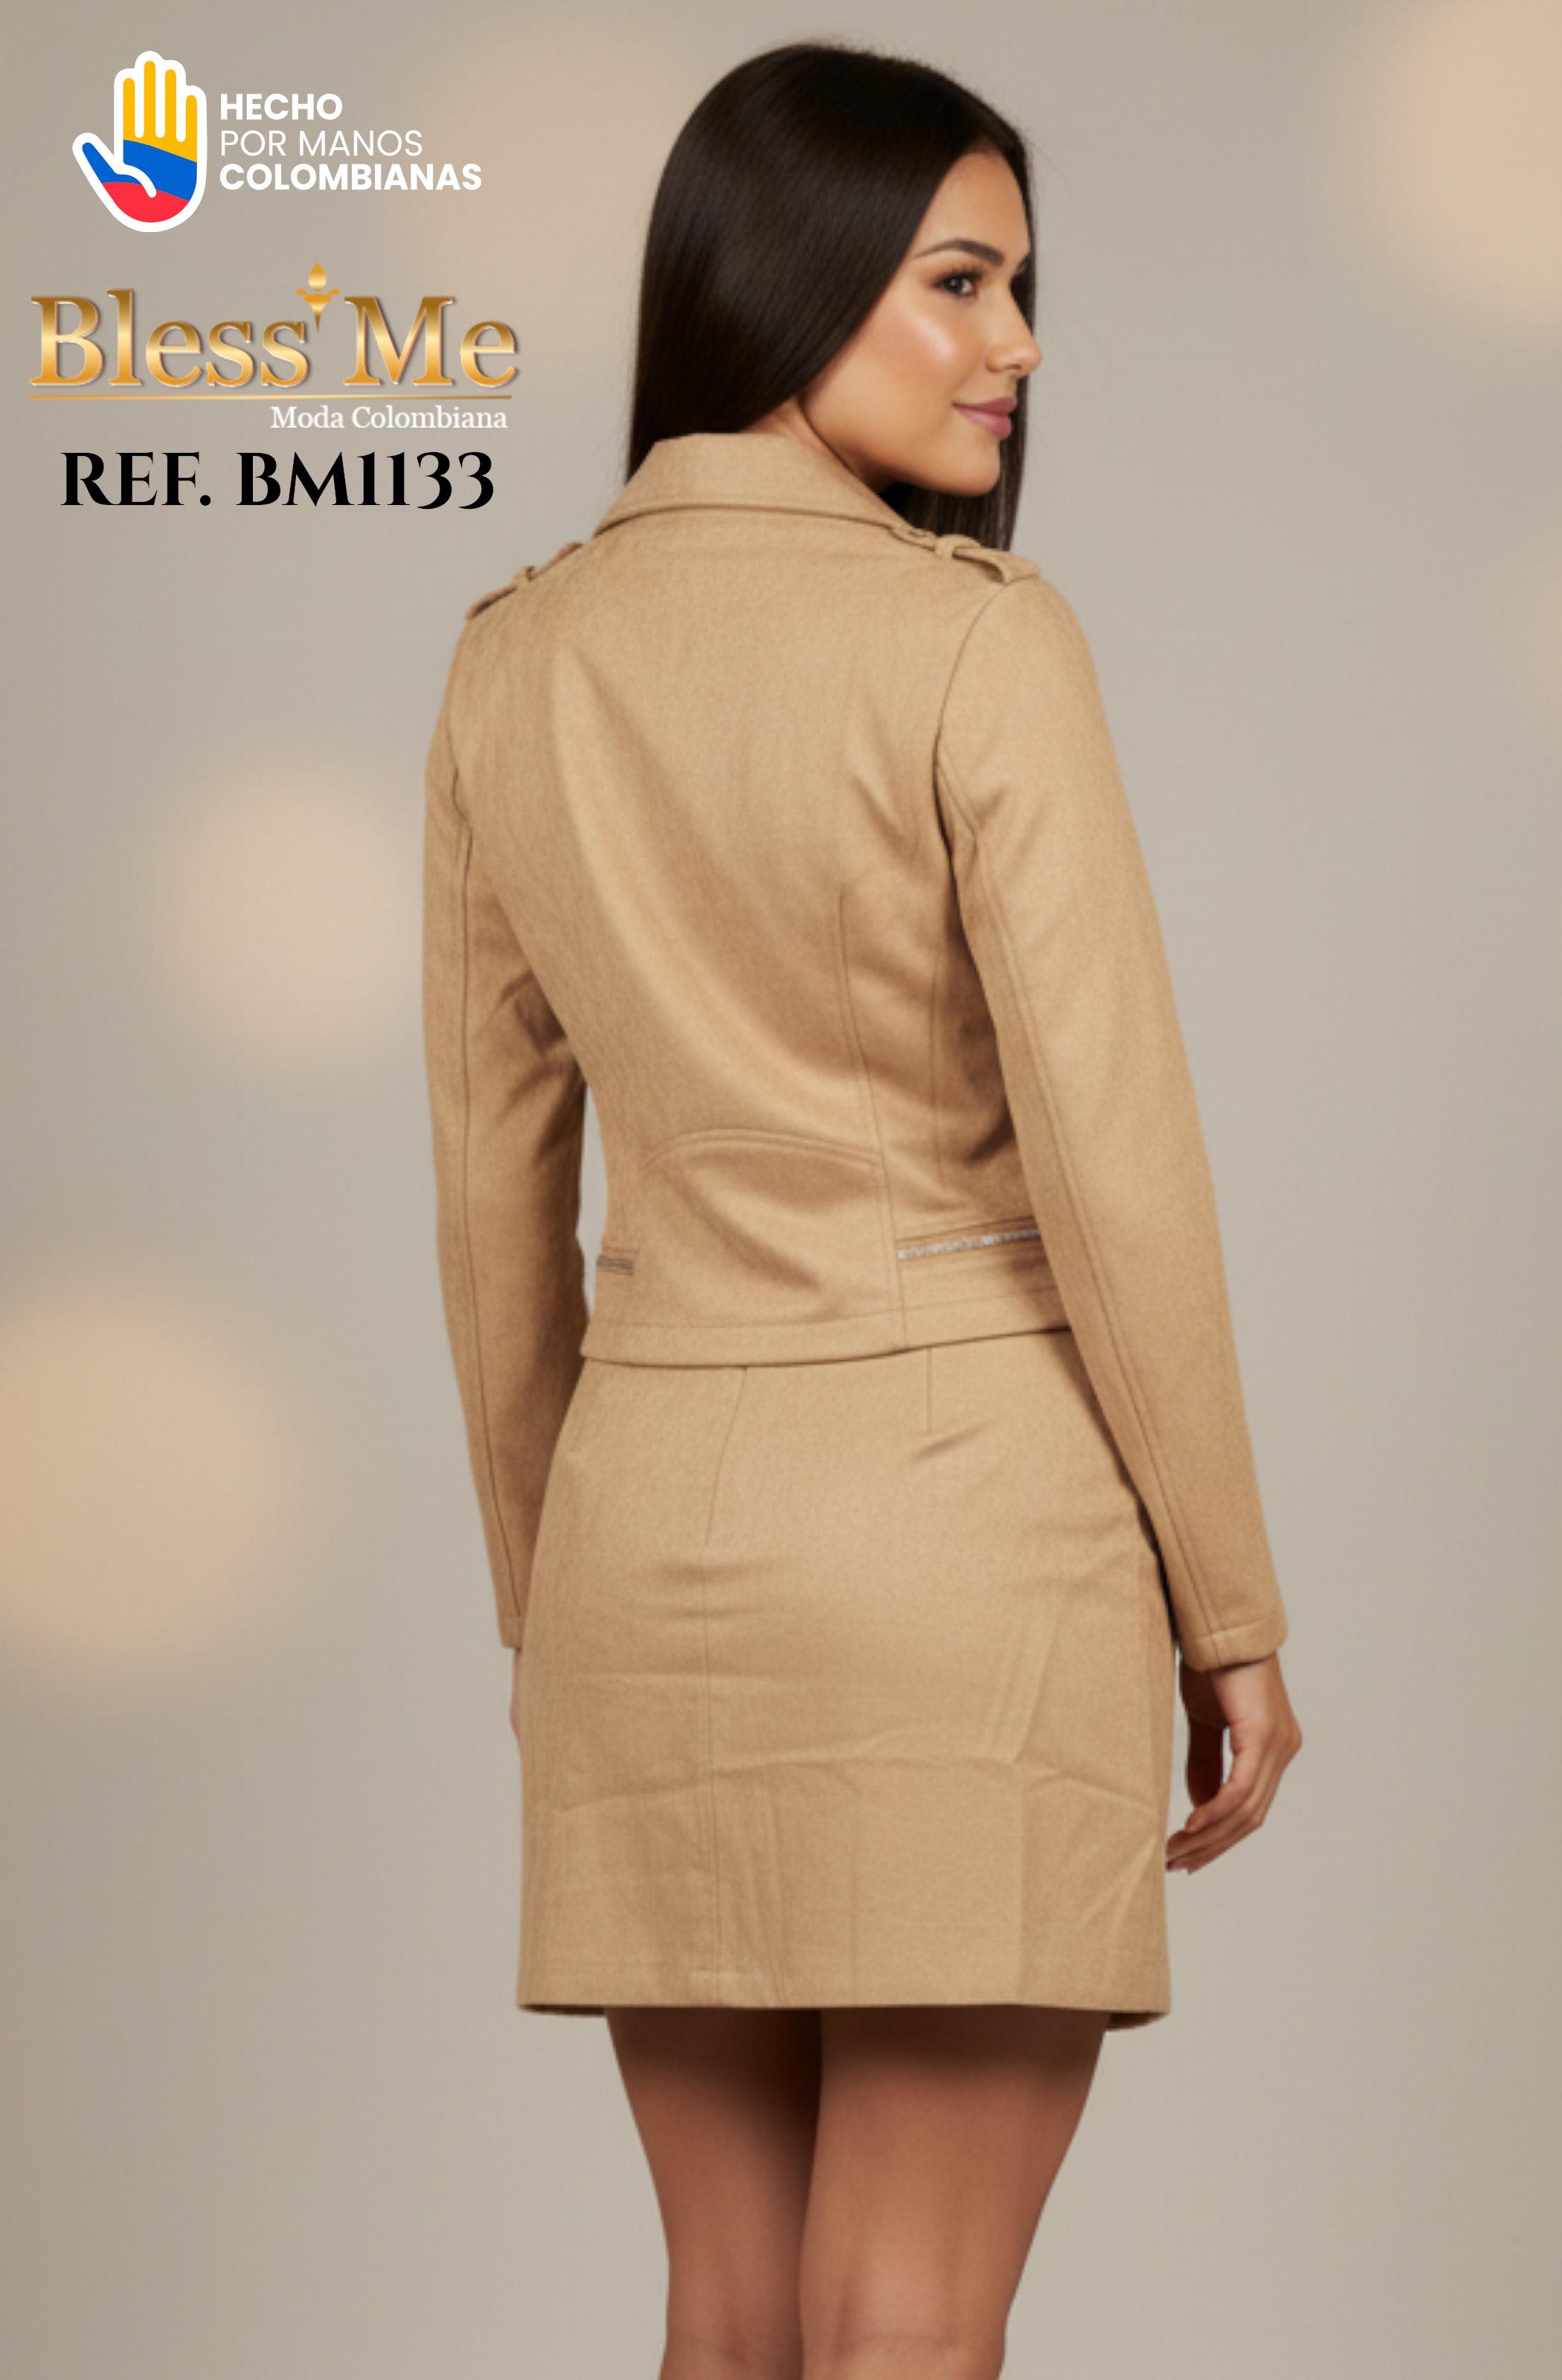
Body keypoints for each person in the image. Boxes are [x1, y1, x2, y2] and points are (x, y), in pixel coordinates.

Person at [421, 37, 1302, 2380]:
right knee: (905, 2320)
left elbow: (495, 1210)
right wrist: (1225, 1605)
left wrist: (545, 1600)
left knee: (727, 2319)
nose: (1017, 344)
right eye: (958, 282)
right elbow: (1115, 1168)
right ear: (784, 279)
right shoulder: (973, 640)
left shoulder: (511, 663)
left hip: (643, 1563)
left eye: (1018, 287)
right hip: (956, 1556)